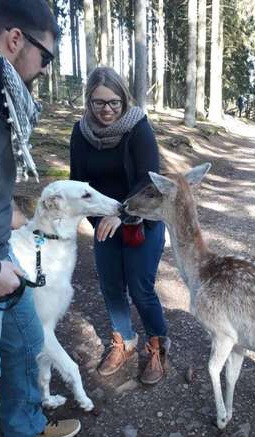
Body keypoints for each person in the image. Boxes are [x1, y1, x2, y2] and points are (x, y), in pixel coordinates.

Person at [0, 0, 80, 437]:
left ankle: (22, 427)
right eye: (48, 56)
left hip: (0, 255)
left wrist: (20, 221)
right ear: (16, 40)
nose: (46, 68)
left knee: (24, 342)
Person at [70, 67, 170, 387]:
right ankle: (124, 341)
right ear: (89, 102)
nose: (107, 110)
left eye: (114, 102)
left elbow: (148, 180)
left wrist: (123, 213)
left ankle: (156, 346)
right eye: (99, 104)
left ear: (123, 99)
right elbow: (78, 183)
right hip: (105, 222)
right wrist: (99, 218)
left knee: (140, 287)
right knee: (111, 285)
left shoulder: (137, 126)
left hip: (143, 216)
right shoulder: (81, 132)